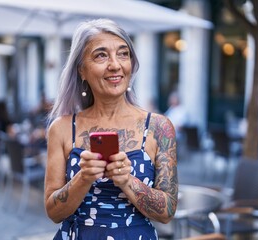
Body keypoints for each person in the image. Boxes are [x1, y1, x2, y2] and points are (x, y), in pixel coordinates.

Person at [44, 18, 178, 240]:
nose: (115, 64)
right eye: (101, 55)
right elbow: (53, 212)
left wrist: (127, 180)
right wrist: (83, 177)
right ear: (82, 70)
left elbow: (167, 212)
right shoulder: (62, 128)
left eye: (123, 54)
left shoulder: (158, 127)